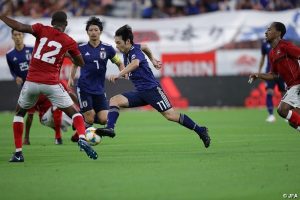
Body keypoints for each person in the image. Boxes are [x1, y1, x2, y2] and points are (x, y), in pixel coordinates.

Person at [0, 10, 98, 162]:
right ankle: (82, 138)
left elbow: (19, 26)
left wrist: (2, 16)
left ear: (52, 22)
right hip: (51, 83)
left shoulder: (41, 29)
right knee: (75, 113)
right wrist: (69, 54)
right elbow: (81, 62)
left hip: (31, 81)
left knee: (19, 114)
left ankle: (18, 153)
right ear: (65, 24)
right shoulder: (68, 40)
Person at [96, 25, 211, 148]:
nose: (116, 46)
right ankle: (110, 128)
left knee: (170, 115)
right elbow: (145, 46)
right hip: (140, 92)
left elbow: (135, 64)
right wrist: (153, 59)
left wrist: (119, 74)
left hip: (152, 90)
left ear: (128, 41)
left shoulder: (134, 51)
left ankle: (200, 130)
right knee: (115, 100)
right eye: (115, 43)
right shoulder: (129, 50)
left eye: (118, 43)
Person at [249, 22, 300, 131]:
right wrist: (258, 75)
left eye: (269, 29)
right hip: (292, 86)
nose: (266, 32)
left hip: (297, 84)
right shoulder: (272, 54)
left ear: (278, 33)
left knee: (282, 110)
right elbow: (274, 74)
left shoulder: (286, 46)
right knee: (294, 122)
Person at [6, 29, 35, 145]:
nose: (18, 37)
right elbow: (12, 71)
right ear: (12, 37)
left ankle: (57, 135)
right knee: (26, 112)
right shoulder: (9, 54)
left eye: (19, 34)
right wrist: (16, 77)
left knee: (43, 113)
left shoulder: (31, 49)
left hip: (37, 83)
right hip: (25, 87)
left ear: (23, 36)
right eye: (15, 35)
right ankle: (25, 137)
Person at [29, 81, 78, 145]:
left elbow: (71, 94)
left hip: (60, 115)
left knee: (79, 117)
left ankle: (76, 136)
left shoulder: (60, 82)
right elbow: (30, 114)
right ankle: (58, 138)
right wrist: (26, 137)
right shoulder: (35, 89)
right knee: (57, 105)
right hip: (45, 118)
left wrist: (78, 111)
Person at [258, 39, 285, 123]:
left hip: (281, 72)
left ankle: (287, 113)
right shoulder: (265, 44)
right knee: (269, 92)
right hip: (270, 73)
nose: (267, 33)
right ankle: (271, 115)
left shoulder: (283, 43)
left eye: (269, 30)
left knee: (284, 93)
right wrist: (259, 71)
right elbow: (262, 58)